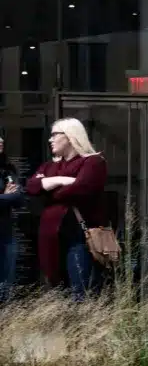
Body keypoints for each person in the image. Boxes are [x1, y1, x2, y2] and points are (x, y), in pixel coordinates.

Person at [25, 118, 108, 301]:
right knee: (58, 294)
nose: (50, 139)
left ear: (70, 136)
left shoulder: (93, 162)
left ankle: (83, 329)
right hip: (50, 239)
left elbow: (81, 189)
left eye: (55, 134)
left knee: (80, 293)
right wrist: (61, 180)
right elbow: (31, 187)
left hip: (79, 238)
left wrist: (48, 189)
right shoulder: (51, 166)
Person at [0, 136, 23, 303]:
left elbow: (20, 200)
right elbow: (12, 197)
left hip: (6, 234)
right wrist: (6, 196)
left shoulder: (8, 169)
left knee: (6, 285)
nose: (1, 140)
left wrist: (6, 197)